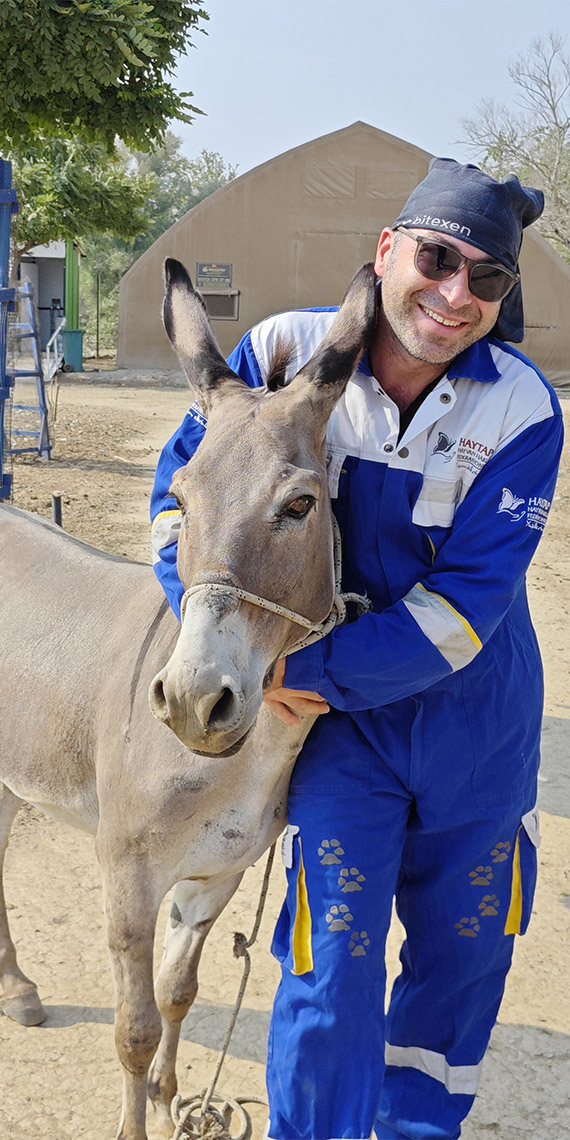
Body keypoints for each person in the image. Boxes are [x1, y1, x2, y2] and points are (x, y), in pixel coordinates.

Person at [150, 159, 563, 1140]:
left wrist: (298, 675)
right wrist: (209, 624)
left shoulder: (521, 408)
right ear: (387, 252)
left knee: (459, 967)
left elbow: (468, 608)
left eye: (488, 279)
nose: (456, 293)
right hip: (342, 741)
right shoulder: (280, 350)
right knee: (328, 963)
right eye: (436, 258)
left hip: (475, 730)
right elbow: (180, 504)